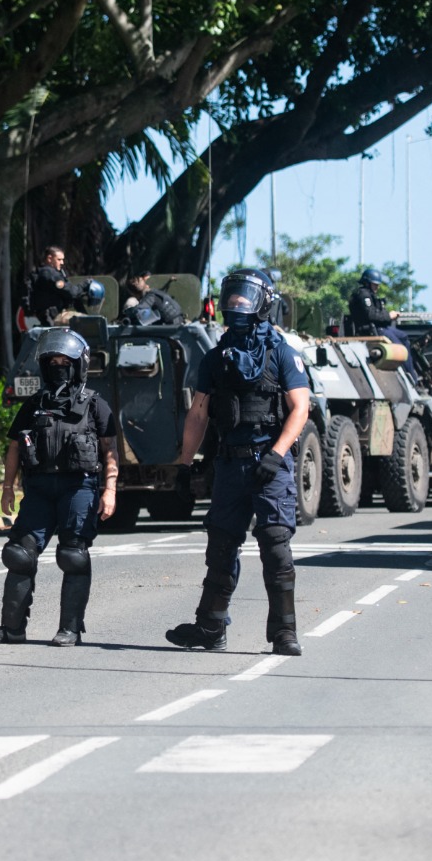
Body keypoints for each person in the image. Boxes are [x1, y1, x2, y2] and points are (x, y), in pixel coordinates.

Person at [166, 268, 311, 657]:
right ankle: (210, 628)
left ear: (264, 302)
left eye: (245, 297)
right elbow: (198, 414)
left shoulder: (282, 352)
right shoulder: (216, 358)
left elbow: (301, 409)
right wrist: (184, 466)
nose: (236, 304)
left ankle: (284, 633)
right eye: (231, 297)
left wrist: (277, 453)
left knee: (276, 547)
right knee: (221, 547)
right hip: (229, 465)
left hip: (270, 465)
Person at [0, 329, 119, 647]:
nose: (58, 366)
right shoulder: (34, 404)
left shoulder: (95, 405)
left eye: (64, 361)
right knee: (19, 554)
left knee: (73, 555)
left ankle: (70, 629)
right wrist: (7, 488)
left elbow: (110, 451)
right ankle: (12, 629)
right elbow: (15, 447)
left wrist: (110, 490)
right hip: (39, 489)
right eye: (52, 361)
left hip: (79, 489)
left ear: (78, 365)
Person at [25, 246, 88, 326]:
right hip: (52, 317)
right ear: (49, 258)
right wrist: (84, 285)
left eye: (62, 260)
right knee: (84, 322)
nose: (62, 263)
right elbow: (72, 293)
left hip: (48, 317)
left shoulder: (43, 272)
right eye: (59, 259)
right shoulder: (50, 273)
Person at [346, 268, 409, 346]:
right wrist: (389, 316)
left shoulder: (370, 295)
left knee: (403, 336)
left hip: (380, 327)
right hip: (370, 329)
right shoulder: (363, 295)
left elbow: (377, 312)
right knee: (398, 346)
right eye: (375, 285)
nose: (377, 287)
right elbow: (371, 315)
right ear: (367, 283)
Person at [119, 271, 187, 325]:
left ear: (133, 293)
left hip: (173, 327)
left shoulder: (150, 297)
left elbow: (139, 309)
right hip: (179, 322)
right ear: (146, 285)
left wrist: (127, 313)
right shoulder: (157, 293)